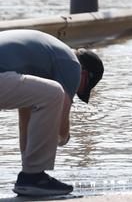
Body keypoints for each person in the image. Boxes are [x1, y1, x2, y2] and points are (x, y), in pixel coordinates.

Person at [0, 30, 104, 197]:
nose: (76, 91)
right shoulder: (72, 64)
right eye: (82, 88)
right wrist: (64, 137)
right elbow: (61, 131)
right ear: (85, 75)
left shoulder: (45, 53)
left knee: (46, 95)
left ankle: (30, 175)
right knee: (56, 93)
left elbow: (26, 117)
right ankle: (33, 178)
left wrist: (28, 160)